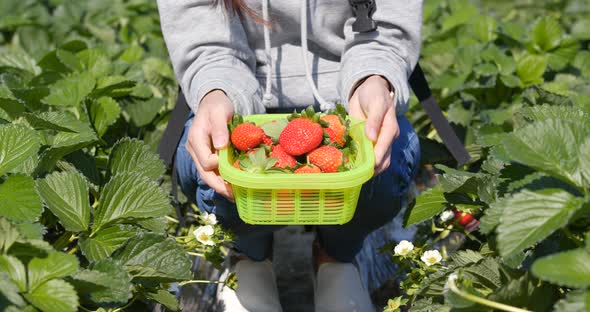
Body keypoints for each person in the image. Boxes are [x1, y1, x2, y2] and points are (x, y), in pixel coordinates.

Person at [157, 0, 422, 311]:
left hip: (345, 102)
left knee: (386, 159)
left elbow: (384, 29)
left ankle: (336, 258)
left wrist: (373, 78)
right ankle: (248, 257)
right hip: (245, 98)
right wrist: (216, 92)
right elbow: (207, 39)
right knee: (210, 160)